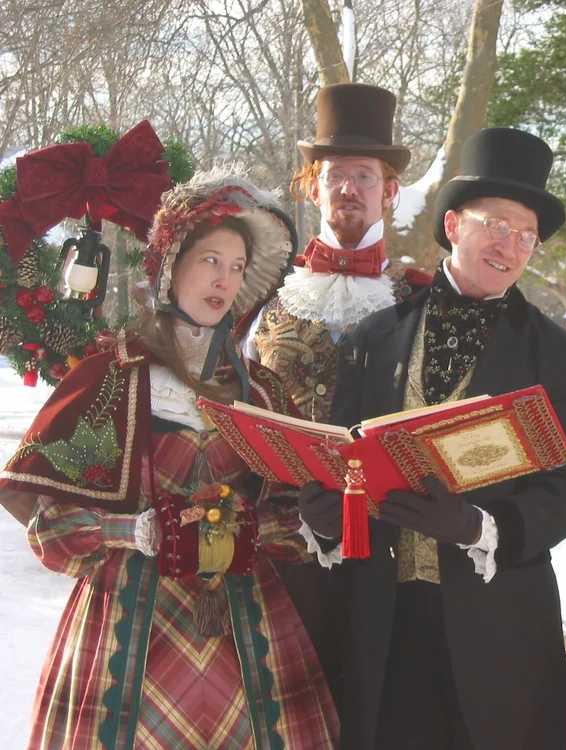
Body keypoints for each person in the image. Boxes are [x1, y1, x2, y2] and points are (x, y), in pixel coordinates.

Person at [0, 173, 340, 750]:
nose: (223, 279)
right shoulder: (112, 381)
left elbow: (295, 518)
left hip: (243, 625)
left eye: (236, 267)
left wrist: (253, 530)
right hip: (130, 626)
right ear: (170, 268)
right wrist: (134, 530)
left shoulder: (261, 393)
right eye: (210, 260)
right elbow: (52, 526)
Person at [298, 128, 566, 750]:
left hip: (499, 633)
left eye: (526, 236)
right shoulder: (374, 338)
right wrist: (325, 520)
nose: (510, 246)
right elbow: (341, 459)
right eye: (497, 225)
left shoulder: (561, 356)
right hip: (381, 626)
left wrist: (478, 526)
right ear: (454, 224)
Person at [245, 83, 428, 694]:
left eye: (364, 175)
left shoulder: (419, 302)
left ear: (390, 191)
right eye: (335, 176)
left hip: (389, 557)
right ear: (312, 187)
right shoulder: (263, 301)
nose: (349, 188)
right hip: (282, 554)